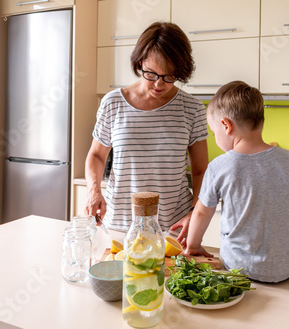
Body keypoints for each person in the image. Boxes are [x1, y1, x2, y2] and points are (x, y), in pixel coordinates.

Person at [184, 81, 289, 283]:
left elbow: (202, 212)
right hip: (286, 270)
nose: (216, 138)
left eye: (214, 133)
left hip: (237, 271)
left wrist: (193, 246)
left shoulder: (219, 166)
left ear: (226, 125)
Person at [85, 22, 208, 234]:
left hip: (173, 228)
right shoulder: (112, 103)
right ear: (140, 62)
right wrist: (94, 190)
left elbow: (200, 170)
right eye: (151, 74)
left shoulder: (192, 108)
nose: (159, 84)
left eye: (169, 76)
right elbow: (96, 155)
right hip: (119, 225)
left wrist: (194, 211)